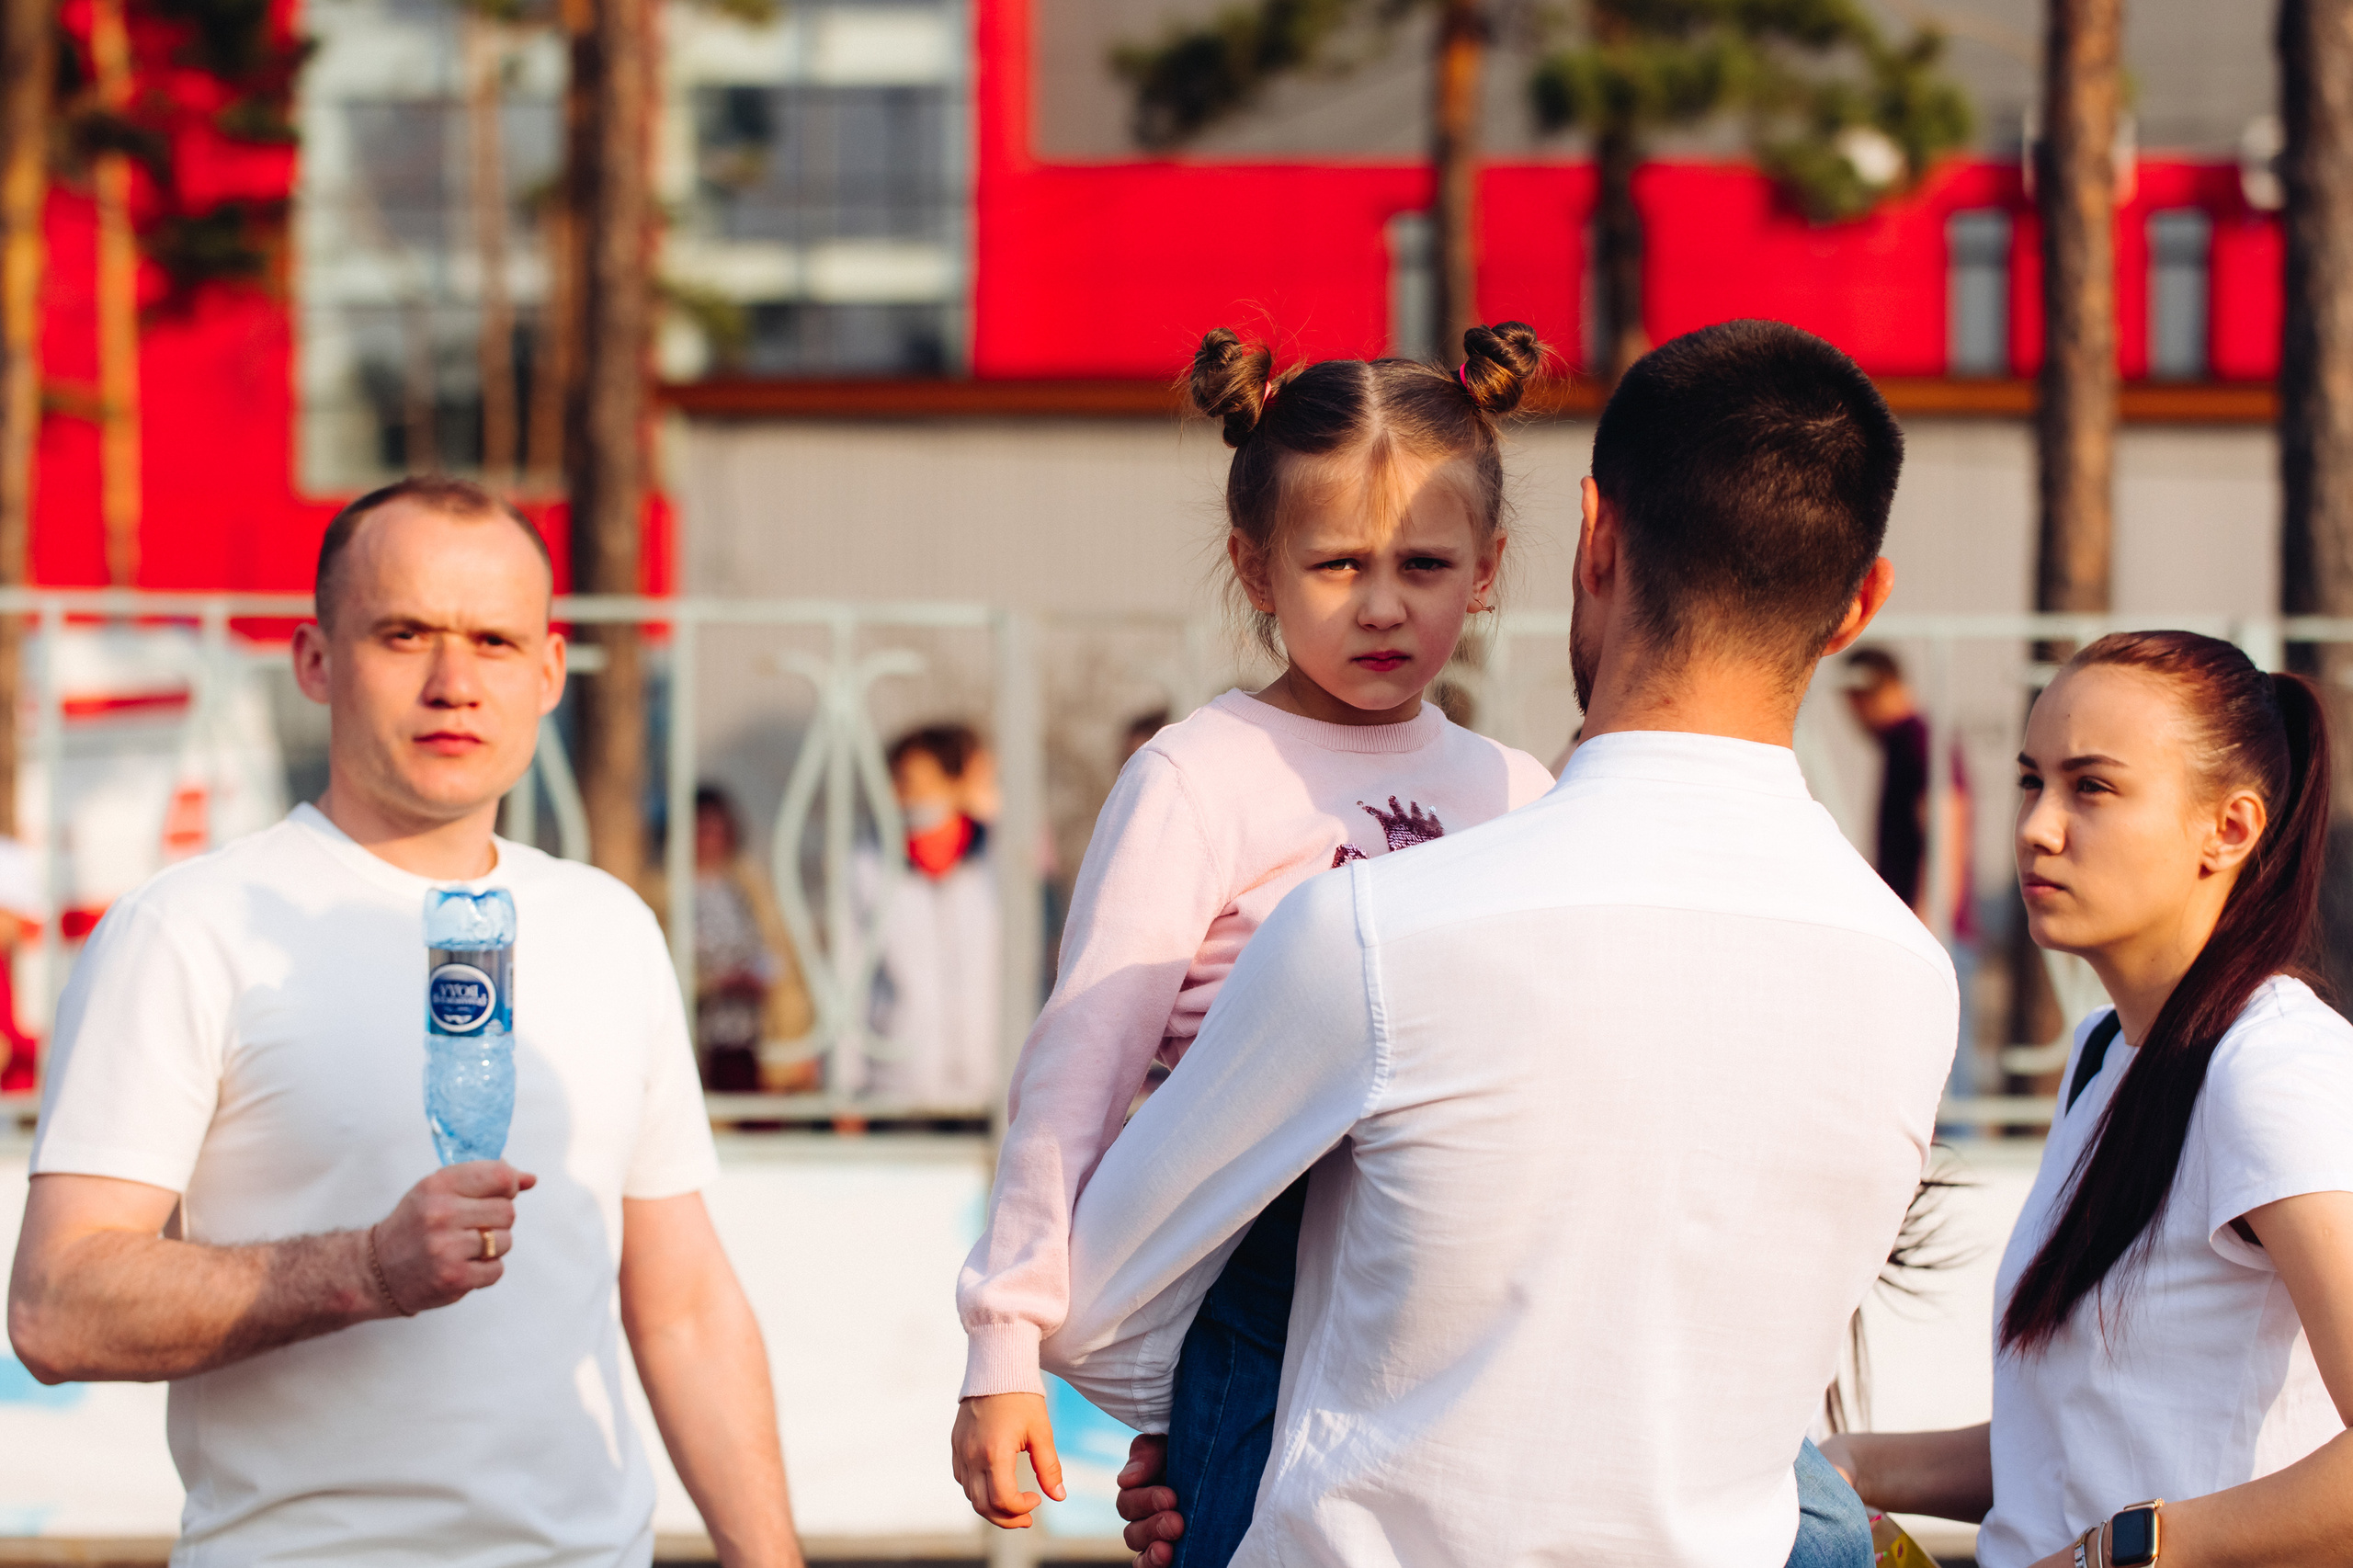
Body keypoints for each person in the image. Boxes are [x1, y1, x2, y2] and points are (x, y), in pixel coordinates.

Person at [1051, 320, 1957, 1568]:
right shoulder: (1910, 978)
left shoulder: (1378, 926)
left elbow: (1095, 1305)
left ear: (1594, 538)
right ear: (1863, 602)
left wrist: (1236, 1453)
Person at [5, 477, 801, 1567]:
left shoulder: (608, 927)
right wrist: (366, 1269)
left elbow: (686, 1304)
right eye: (404, 632)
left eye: (494, 640)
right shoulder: (187, 929)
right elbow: (56, 1305)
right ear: (316, 661)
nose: (454, 682)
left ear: (550, 671)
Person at [950, 322, 1560, 1566]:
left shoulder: (1519, 789)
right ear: (1255, 563)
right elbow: (1084, 1061)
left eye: (1426, 564)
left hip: (1463, 1316)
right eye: (1338, 563)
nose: (1384, 605)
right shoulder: (1197, 776)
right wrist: (1002, 1341)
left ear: (1488, 568)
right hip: (1259, 1294)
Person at [1820, 631, 2353, 1568]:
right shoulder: (2103, 1052)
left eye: (2091, 787)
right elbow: (2074, 1438)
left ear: (2227, 828)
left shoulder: (2270, 1069)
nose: (2035, 825)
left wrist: (2125, 1549)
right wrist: (1853, 1467)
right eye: (2030, 780)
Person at [1844, 645, 1978, 1099]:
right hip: (1931, 933)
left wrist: (1929, 928)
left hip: (1933, 936)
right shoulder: (1908, 742)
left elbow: (1947, 830)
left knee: (1943, 1087)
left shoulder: (1919, 740)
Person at [867, 723, 1001, 1108]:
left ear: (955, 784)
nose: (900, 797)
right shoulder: (870, 861)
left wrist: (992, 807)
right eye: (896, 783)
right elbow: (849, 973)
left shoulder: (1000, 857)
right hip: (899, 1087)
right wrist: (845, 1084)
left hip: (994, 1085)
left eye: (913, 783)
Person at [688, 784, 814, 1094]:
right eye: (702, 829)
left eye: (718, 829)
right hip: (702, 1036)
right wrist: (715, 983)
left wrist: (801, 1040)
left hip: (760, 1036)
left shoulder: (751, 886)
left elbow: (787, 959)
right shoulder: (664, 891)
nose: (711, 839)